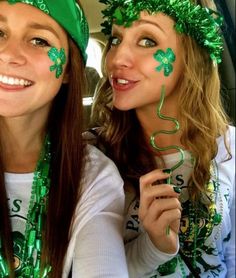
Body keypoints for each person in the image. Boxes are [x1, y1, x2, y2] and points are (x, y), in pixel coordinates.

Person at [90, 0, 235, 277]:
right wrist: (153, 247)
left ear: (191, 57)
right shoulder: (91, 156)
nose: (117, 58)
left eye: (147, 41)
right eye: (116, 39)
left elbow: (231, 256)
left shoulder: (230, 147)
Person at [0, 1, 129, 277]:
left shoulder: (92, 176)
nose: (8, 54)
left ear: (69, 68)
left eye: (39, 40)